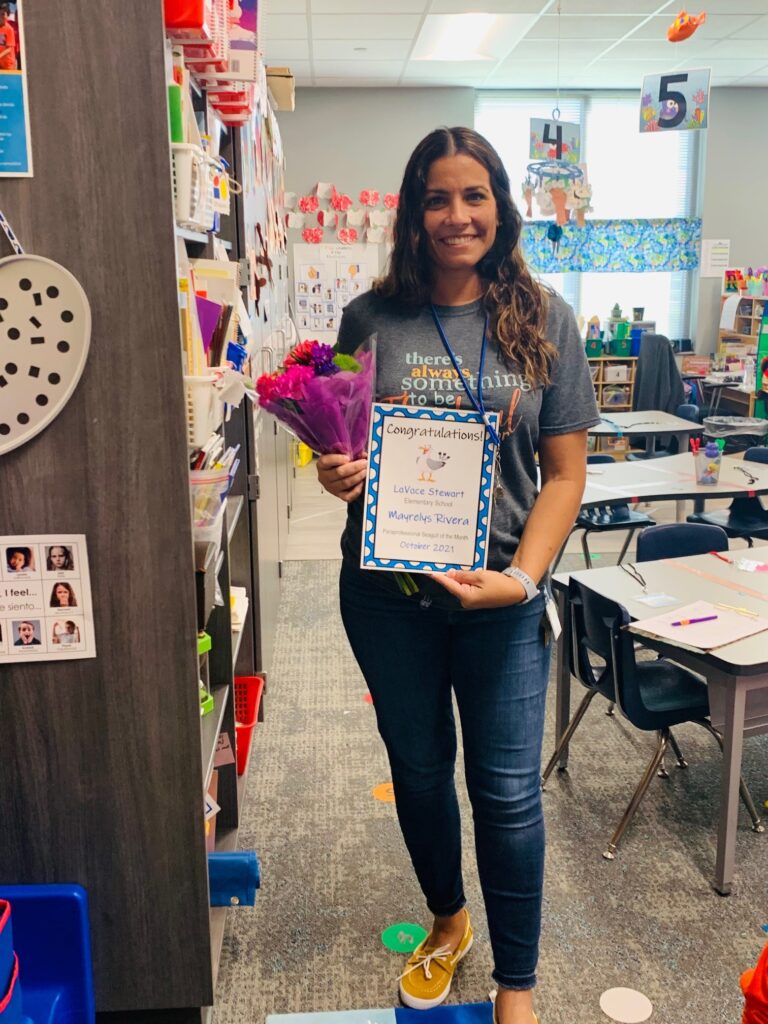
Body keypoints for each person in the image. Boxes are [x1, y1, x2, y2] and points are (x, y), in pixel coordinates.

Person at [318, 127, 599, 1024]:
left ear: (500, 206)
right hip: (387, 596)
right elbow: (342, 446)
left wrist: (522, 579)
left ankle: (517, 986)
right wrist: (335, 470)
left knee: (508, 793)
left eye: (473, 196)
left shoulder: (545, 317)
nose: (456, 215)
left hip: (503, 603)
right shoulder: (369, 319)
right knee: (420, 769)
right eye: (437, 198)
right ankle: (448, 919)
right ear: (413, 211)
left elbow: (565, 475)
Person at [0, 4, 16, 71]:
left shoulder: (9, 29)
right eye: (0, 14)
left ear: (7, 16)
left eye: (3, 14)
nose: (1, 16)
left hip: (9, 65)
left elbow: (9, 48)